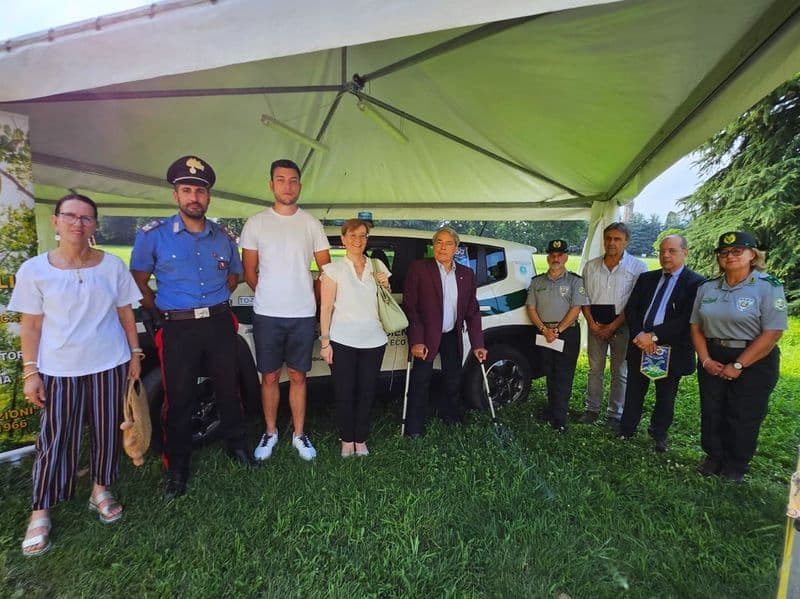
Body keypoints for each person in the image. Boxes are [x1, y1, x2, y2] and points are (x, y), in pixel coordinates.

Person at [10, 194, 142, 557]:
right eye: (70, 216)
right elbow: (31, 326)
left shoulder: (112, 266)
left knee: (107, 431)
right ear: (55, 222)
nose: (78, 223)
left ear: (94, 225)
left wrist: (134, 353)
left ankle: (100, 489)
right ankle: (41, 510)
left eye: (86, 218)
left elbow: (125, 315)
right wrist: (30, 372)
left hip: (109, 362)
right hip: (59, 368)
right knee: (56, 438)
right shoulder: (36, 270)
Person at [130, 155, 252, 500]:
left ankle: (237, 446)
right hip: (177, 328)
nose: (193, 197)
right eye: (186, 190)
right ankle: (177, 466)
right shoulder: (153, 236)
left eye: (199, 191)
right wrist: (159, 311)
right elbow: (138, 280)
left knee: (229, 389)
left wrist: (214, 302)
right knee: (179, 397)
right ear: (176, 195)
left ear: (208, 196)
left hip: (217, 322)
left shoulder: (223, 236)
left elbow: (234, 276)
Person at [240, 159, 331, 461]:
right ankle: (270, 432)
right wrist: (270, 293)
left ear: (299, 185)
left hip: (303, 314)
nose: (287, 186)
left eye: (293, 180)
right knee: (268, 377)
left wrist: (310, 298)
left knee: (298, 375)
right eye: (281, 180)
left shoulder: (311, 223)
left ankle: (299, 434)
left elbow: (326, 270)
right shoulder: (256, 223)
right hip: (267, 313)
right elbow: (250, 271)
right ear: (271, 184)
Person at [690, 231, 787, 482]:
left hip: (754, 358)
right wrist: (706, 359)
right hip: (713, 353)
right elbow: (696, 327)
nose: (730, 256)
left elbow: (773, 332)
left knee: (743, 413)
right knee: (712, 410)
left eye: (737, 251)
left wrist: (739, 363)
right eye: (724, 253)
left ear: (752, 255)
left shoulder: (767, 287)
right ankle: (714, 456)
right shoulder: (708, 287)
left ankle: (736, 465)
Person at [619, 235, 705, 451]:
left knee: (666, 395)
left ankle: (659, 433)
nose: (665, 255)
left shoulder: (695, 283)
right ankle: (626, 429)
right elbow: (632, 309)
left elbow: (687, 319)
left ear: (685, 253)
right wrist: (640, 334)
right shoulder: (647, 278)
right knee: (634, 390)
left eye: (672, 251)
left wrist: (654, 337)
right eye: (662, 251)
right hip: (640, 344)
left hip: (671, 349)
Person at [403, 227, 487, 437]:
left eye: (448, 243)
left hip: (451, 335)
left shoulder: (466, 275)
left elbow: (472, 311)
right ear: (433, 246)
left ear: (456, 249)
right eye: (439, 242)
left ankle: (450, 416)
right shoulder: (419, 269)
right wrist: (416, 340)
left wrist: (478, 344)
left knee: (453, 377)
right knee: (421, 380)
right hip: (426, 336)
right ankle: (414, 426)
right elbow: (411, 307)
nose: (443, 247)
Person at [318, 219, 390, 457]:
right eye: (353, 236)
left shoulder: (377, 266)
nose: (358, 240)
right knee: (344, 391)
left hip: (374, 339)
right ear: (343, 239)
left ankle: (361, 438)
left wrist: (385, 284)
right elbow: (326, 308)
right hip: (342, 340)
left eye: (362, 236)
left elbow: (385, 300)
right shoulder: (333, 270)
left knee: (367, 391)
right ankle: (346, 439)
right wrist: (325, 342)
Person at [580, 222, 648, 431]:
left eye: (617, 239)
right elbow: (583, 297)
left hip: (622, 326)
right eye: (608, 238)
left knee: (620, 370)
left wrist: (612, 326)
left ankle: (615, 413)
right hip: (595, 325)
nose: (611, 243)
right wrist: (592, 323)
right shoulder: (591, 266)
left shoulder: (638, 267)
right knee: (595, 369)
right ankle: (592, 409)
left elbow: (635, 302)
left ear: (626, 241)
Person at [525, 239, 588, 432]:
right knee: (549, 372)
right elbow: (531, 307)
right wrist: (545, 330)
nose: (556, 258)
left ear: (566, 257)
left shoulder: (575, 281)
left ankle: (560, 419)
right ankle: (551, 410)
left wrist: (558, 331)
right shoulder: (537, 282)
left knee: (563, 375)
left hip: (567, 334)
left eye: (560, 255)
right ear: (548, 257)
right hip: (544, 333)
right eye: (552, 255)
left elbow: (576, 309)